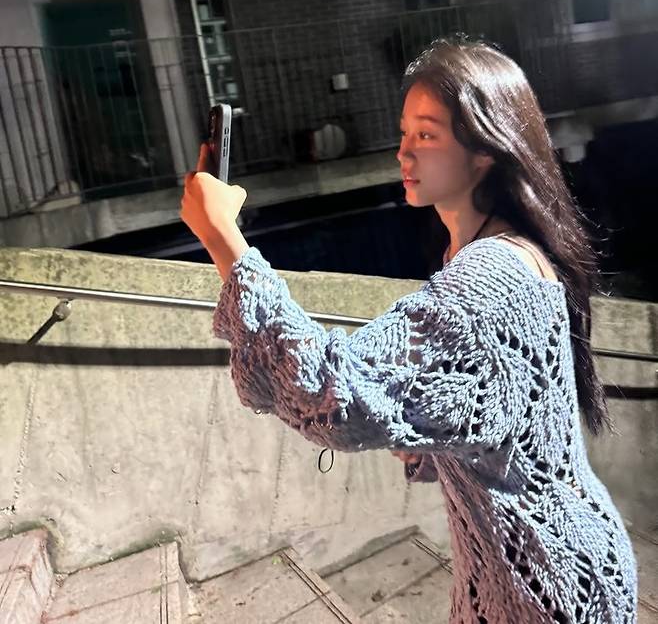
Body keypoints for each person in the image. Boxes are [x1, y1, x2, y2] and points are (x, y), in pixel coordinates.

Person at [180, 37, 637, 623]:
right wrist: (423, 435)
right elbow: (510, 427)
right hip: (548, 566)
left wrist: (225, 240)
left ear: (485, 149)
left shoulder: (490, 279)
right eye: (404, 133)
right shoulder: (494, 251)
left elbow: (331, 391)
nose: (404, 151)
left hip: (545, 587)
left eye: (427, 134)